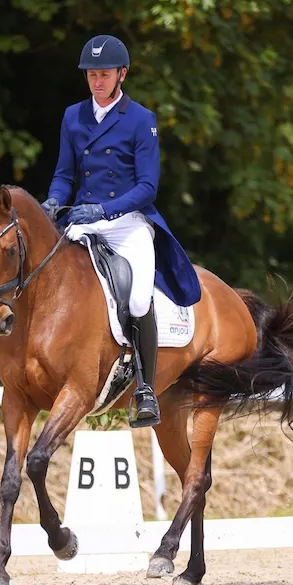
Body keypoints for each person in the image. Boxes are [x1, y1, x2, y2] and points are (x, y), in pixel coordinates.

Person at [43, 34, 202, 429]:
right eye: (91, 75)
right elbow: (64, 175)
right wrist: (53, 201)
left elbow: (147, 187)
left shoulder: (140, 120)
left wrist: (104, 209)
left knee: (138, 299)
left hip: (128, 222)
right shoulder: (73, 116)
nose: (97, 82)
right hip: (83, 221)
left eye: (104, 75)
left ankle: (145, 389)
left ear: (122, 75)